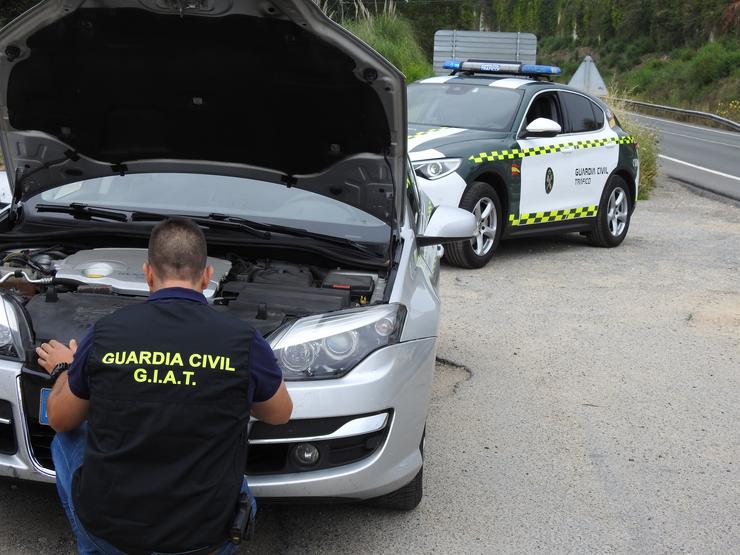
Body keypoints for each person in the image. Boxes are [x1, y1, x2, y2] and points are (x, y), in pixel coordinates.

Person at [36, 217, 293, 555]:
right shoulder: (243, 340)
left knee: (64, 438)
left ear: (147, 274)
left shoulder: (106, 333)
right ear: (206, 276)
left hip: (112, 531)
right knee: (236, 475)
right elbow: (279, 414)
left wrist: (65, 369)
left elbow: (59, 418)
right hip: (206, 537)